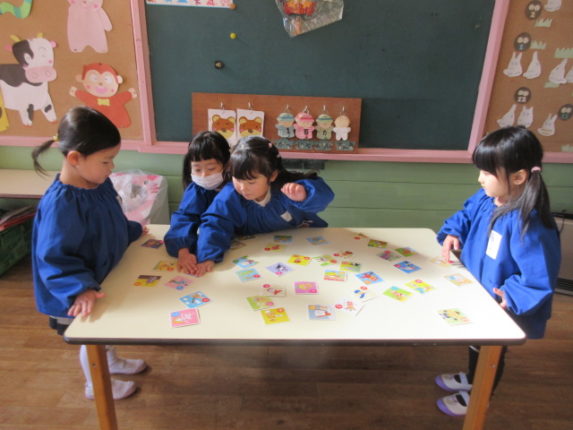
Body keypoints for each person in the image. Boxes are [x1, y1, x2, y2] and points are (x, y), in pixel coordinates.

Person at [435, 126, 561, 416]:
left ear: (518, 177)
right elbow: (464, 215)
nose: (480, 179)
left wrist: (511, 296)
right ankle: (472, 377)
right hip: (476, 290)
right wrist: (454, 231)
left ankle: (481, 395)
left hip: (500, 303)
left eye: (487, 172)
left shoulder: (529, 224)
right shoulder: (485, 198)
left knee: (491, 351)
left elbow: (539, 275)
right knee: (476, 342)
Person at [31, 106, 148, 401]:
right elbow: (54, 258)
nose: (111, 167)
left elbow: (111, 220)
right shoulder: (62, 204)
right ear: (75, 159)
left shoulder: (98, 182)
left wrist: (131, 230)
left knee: (106, 330)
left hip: (102, 275)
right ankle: (95, 385)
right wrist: (79, 289)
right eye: (105, 161)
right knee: (92, 339)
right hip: (74, 291)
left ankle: (112, 362)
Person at [194, 135, 335, 275]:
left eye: (251, 182)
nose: (243, 188)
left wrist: (305, 195)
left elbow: (325, 195)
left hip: (304, 249)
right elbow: (215, 223)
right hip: (255, 256)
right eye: (237, 179)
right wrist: (208, 256)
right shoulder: (231, 195)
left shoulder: (288, 189)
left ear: (272, 175)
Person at [164, 131, 230, 274]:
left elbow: (217, 221)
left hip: (234, 244)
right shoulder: (196, 190)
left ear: (226, 164)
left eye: (211, 168)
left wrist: (208, 254)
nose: (204, 175)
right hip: (212, 245)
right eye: (197, 169)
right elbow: (184, 218)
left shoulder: (235, 187)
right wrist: (183, 250)